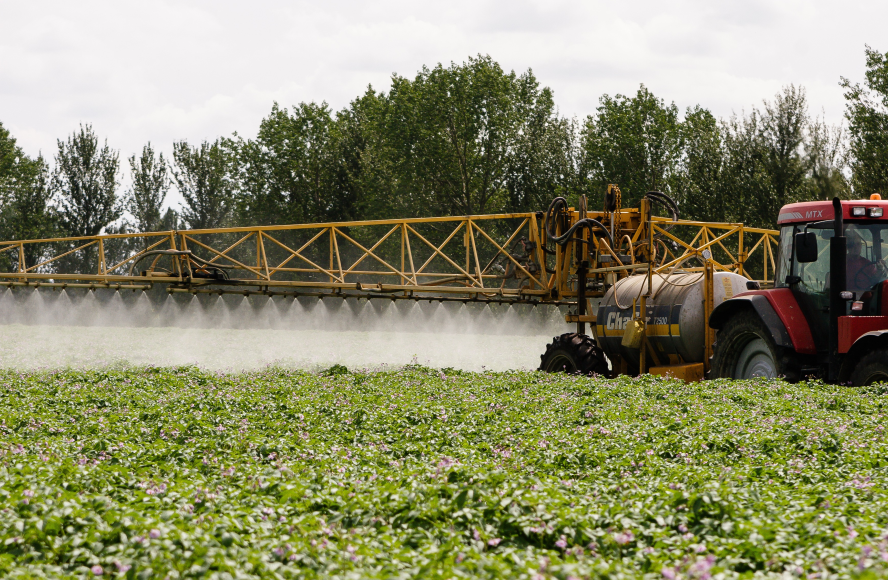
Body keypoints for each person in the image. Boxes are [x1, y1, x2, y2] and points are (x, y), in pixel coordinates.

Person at [846, 226, 887, 290]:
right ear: (848, 247)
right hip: (844, 295)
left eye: (858, 244)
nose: (856, 247)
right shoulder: (842, 263)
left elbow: (874, 281)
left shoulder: (867, 263)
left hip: (865, 296)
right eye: (852, 244)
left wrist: (880, 270)